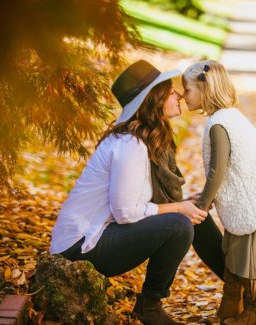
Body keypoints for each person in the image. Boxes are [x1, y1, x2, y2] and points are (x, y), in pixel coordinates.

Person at [49, 60, 209, 325]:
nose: (179, 94)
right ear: (154, 100)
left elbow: (134, 205)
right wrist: (178, 208)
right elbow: (125, 213)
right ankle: (150, 306)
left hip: (96, 236)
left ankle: (237, 288)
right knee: (180, 224)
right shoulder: (130, 144)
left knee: (192, 217)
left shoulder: (139, 139)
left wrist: (183, 203)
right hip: (79, 247)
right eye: (171, 91)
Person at [182, 60, 256, 325]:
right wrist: (206, 198)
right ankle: (229, 310)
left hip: (253, 206)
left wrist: (203, 205)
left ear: (204, 88)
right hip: (253, 202)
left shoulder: (219, 125)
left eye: (187, 90)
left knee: (248, 266)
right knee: (234, 262)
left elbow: (217, 171)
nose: (184, 95)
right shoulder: (226, 118)